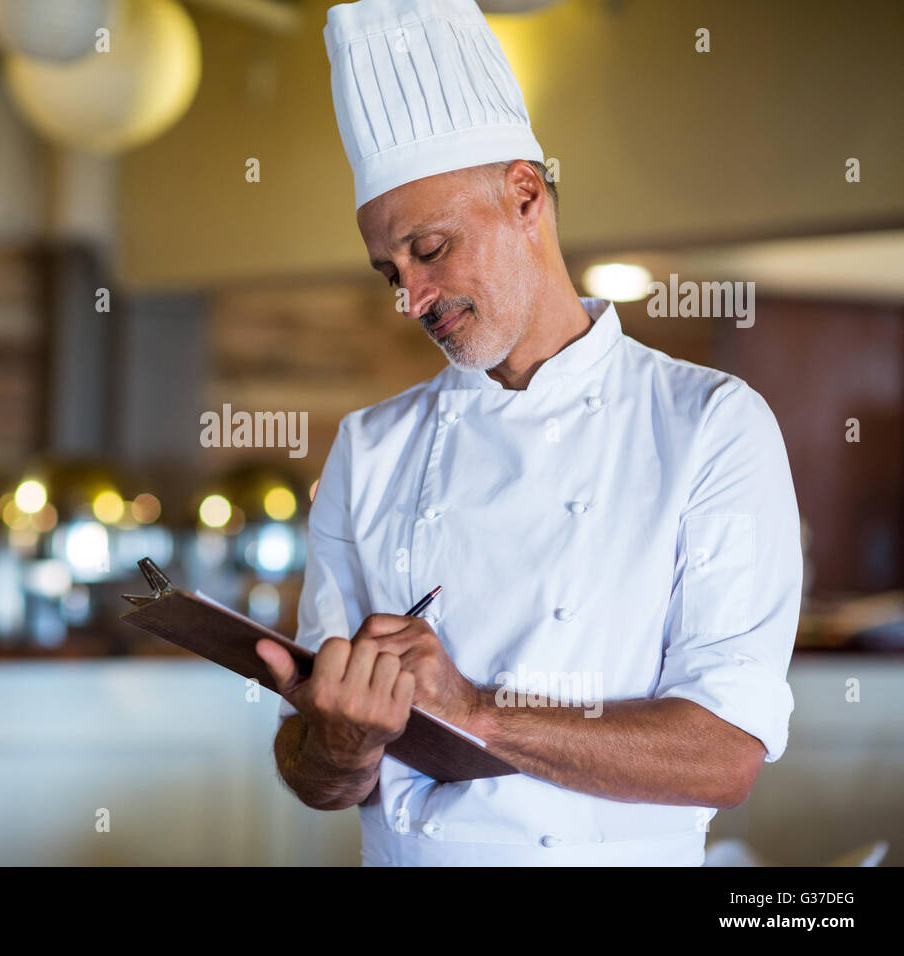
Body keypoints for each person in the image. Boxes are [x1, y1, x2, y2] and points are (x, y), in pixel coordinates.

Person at [253, 0, 802, 866]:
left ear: (524, 194)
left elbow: (723, 754)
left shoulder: (709, 425)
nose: (411, 299)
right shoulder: (369, 446)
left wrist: (470, 711)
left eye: (430, 250)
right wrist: (343, 740)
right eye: (388, 274)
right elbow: (316, 775)